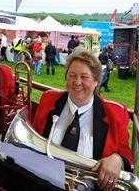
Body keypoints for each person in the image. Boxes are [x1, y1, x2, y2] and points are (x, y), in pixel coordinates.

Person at [32, 50, 134, 191]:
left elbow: (126, 155)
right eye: (72, 75)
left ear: (96, 81)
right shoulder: (48, 99)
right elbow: (34, 137)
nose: (77, 82)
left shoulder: (115, 113)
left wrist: (118, 159)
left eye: (84, 77)